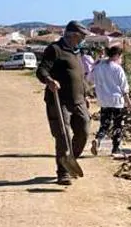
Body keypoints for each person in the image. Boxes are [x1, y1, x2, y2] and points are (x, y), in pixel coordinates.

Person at [36, 21, 92, 185]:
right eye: (82, 36)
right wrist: (49, 80)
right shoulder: (55, 49)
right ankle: (63, 172)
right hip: (59, 101)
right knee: (63, 136)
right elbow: (41, 70)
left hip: (79, 100)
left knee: (84, 130)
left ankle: (70, 159)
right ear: (74, 35)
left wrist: (85, 95)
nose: (84, 39)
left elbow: (79, 77)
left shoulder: (77, 52)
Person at [88, 45, 131, 157]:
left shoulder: (99, 66)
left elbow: (89, 80)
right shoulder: (117, 68)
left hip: (103, 100)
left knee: (105, 123)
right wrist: (129, 102)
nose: (121, 60)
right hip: (117, 101)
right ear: (117, 56)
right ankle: (115, 148)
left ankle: (98, 140)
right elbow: (124, 87)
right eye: (121, 57)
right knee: (118, 125)